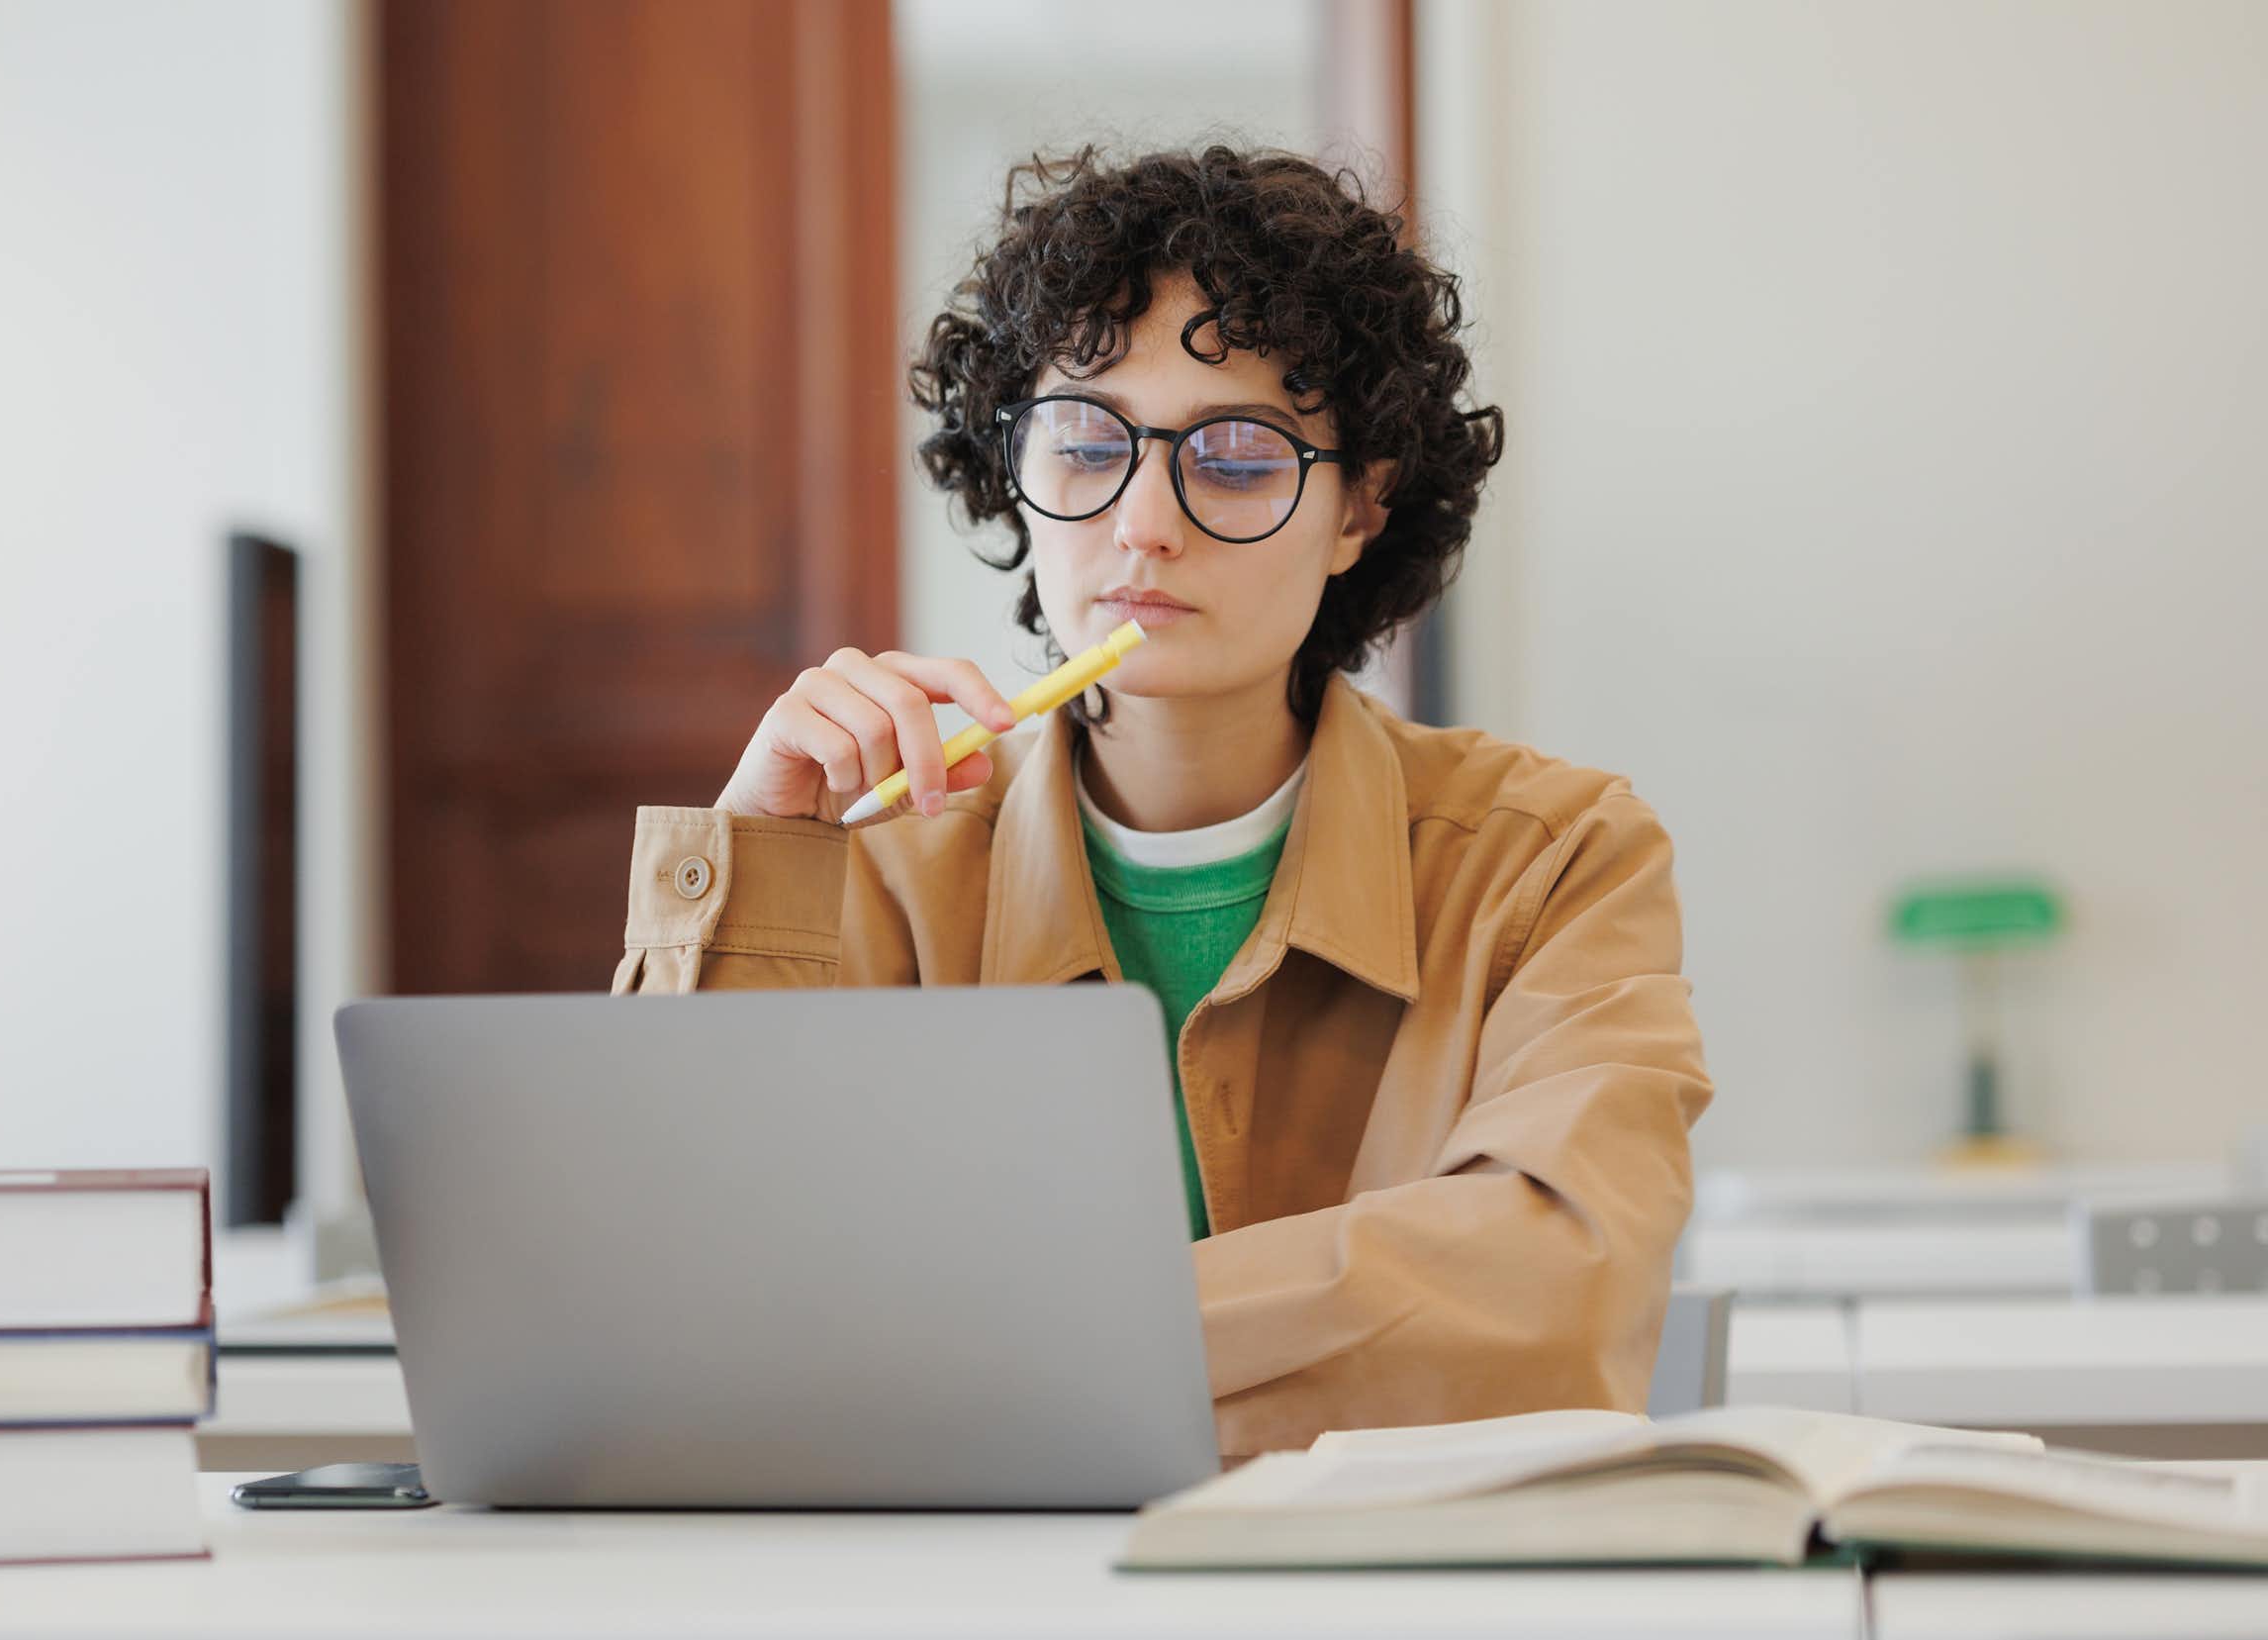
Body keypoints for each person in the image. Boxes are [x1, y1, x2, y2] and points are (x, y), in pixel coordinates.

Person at [612, 144, 1712, 1459]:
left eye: (1236, 458)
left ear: (1359, 509)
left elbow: (1549, 1296)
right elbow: (662, 1301)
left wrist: (957, 1352)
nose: (1143, 523)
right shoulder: (875, 863)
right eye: (1086, 444)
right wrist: (747, 871)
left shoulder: (1555, 862)